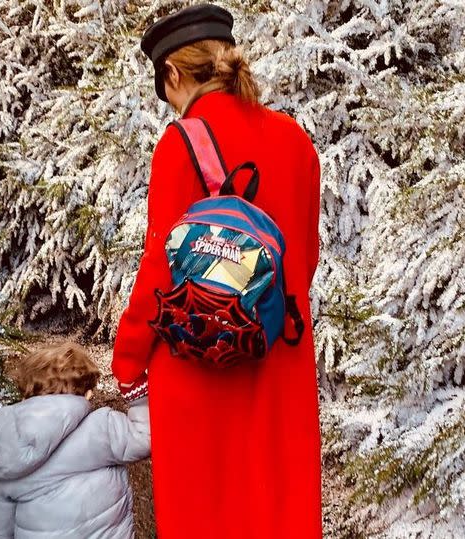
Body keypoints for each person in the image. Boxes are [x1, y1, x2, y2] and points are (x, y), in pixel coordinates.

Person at [112, 4, 322, 538]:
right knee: (277, 508)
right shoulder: (296, 139)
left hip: (199, 362)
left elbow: (162, 268)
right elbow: (304, 258)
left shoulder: (180, 143)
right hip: (280, 354)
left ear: (174, 75)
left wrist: (128, 359)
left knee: (207, 514)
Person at [0, 343, 150, 538]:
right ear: (87, 392)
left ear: (27, 391)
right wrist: (138, 395)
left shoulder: (7, 448)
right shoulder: (102, 428)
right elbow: (145, 437)